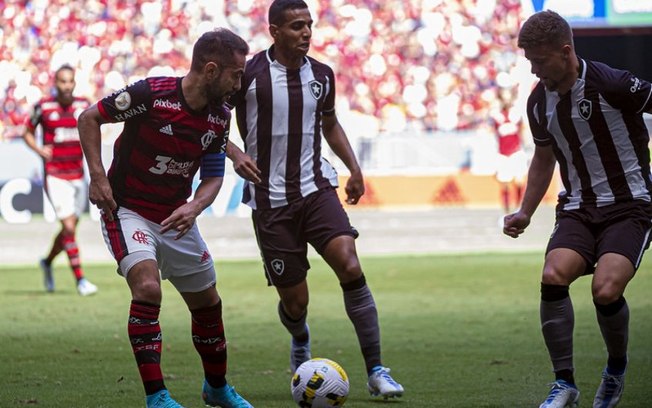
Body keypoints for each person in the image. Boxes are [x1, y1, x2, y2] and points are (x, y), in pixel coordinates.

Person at [226, 0, 404, 400]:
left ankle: (377, 370)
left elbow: (329, 123)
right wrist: (236, 154)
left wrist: (354, 168)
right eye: (296, 26)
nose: (306, 33)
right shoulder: (249, 74)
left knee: (349, 262)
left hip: (315, 188)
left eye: (309, 25)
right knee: (295, 301)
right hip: (270, 202)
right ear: (274, 31)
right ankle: (300, 335)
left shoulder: (321, 75)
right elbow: (213, 117)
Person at [77, 28, 253, 408]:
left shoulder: (220, 117)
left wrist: (195, 207)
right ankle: (157, 396)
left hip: (176, 217)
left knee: (208, 303)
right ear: (210, 70)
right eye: (235, 74)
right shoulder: (150, 95)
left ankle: (217, 389)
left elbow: (212, 176)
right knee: (147, 288)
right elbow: (89, 118)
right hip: (127, 210)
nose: (239, 83)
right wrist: (98, 176)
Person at [504, 10, 652, 408]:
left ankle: (616, 370)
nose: (534, 71)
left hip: (629, 206)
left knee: (605, 289)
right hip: (578, 209)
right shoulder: (539, 103)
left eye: (539, 61)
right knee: (553, 275)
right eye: (529, 62)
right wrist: (525, 212)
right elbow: (543, 158)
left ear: (565, 52)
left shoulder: (613, 83)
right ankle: (564, 384)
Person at [22, 64, 98, 296]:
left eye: (70, 81)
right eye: (62, 81)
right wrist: (38, 149)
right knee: (67, 227)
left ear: (74, 83)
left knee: (69, 231)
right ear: (55, 83)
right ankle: (81, 280)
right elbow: (26, 131)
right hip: (55, 175)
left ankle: (47, 261)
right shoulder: (43, 107)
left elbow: (97, 125)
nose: (66, 86)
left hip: (77, 175)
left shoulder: (83, 105)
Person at [490, 86, 528, 214]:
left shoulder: (516, 114)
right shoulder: (496, 116)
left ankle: (519, 208)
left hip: (516, 152)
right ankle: (506, 212)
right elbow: (494, 133)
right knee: (504, 183)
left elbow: (522, 130)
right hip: (502, 153)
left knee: (519, 181)